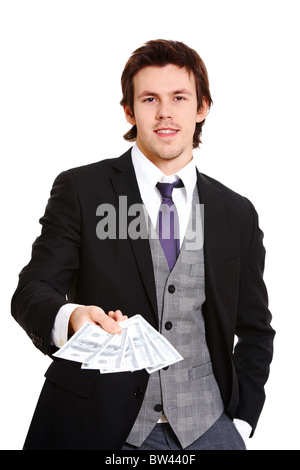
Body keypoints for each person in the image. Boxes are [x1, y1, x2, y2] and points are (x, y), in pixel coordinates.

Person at [11, 39, 275, 450]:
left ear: (202, 107)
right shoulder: (82, 190)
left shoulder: (236, 212)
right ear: (130, 111)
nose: (165, 112)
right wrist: (73, 316)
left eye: (179, 97)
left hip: (207, 425)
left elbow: (256, 329)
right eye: (150, 98)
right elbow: (31, 291)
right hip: (99, 423)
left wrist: (240, 421)